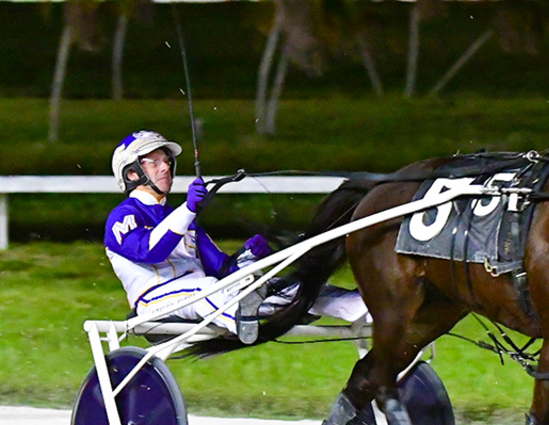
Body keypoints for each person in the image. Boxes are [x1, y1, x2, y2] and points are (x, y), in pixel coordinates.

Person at [104, 130, 368, 344]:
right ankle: (243, 319)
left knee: (295, 285)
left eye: (167, 161)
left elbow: (222, 270)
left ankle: (366, 310)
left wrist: (248, 256)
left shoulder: (184, 219)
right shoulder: (123, 216)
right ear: (132, 173)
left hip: (208, 295)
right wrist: (187, 209)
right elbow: (151, 251)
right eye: (154, 162)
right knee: (205, 287)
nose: (166, 167)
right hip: (155, 301)